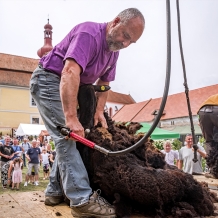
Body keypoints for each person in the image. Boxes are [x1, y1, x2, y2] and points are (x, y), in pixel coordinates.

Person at [30, 7, 145, 217]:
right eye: (125, 35)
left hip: (67, 85)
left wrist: (100, 110)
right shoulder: (89, 34)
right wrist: (71, 118)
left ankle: (54, 191)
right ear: (116, 21)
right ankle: (81, 199)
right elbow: (69, 72)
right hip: (49, 79)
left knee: (65, 139)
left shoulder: (113, 53)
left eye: (131, 42)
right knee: (68, 136)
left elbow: (104, 84)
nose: (125, 44)